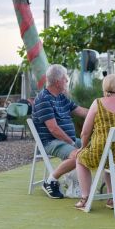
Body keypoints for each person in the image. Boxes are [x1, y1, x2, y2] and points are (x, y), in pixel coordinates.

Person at [74, 74, 115, 210]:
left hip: (102, 152)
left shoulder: (98, 103)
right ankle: (111, 198)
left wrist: (83, 147)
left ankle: (85, 198)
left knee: (80, 158)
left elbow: (85, 132)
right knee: (110, 158)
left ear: (105, 88)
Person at [32, 64, 89, 199]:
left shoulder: (61, 97)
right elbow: (54, 129)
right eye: (65, 78)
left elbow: (80, 111)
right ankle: (50, 181)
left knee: (93, 149)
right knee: (78, 155)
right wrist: (71, 142)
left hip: (66, 140)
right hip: (51, 141)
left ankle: (77, 184)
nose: (67, 81)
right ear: (57, 82)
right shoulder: (43, 99)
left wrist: (97, 112)